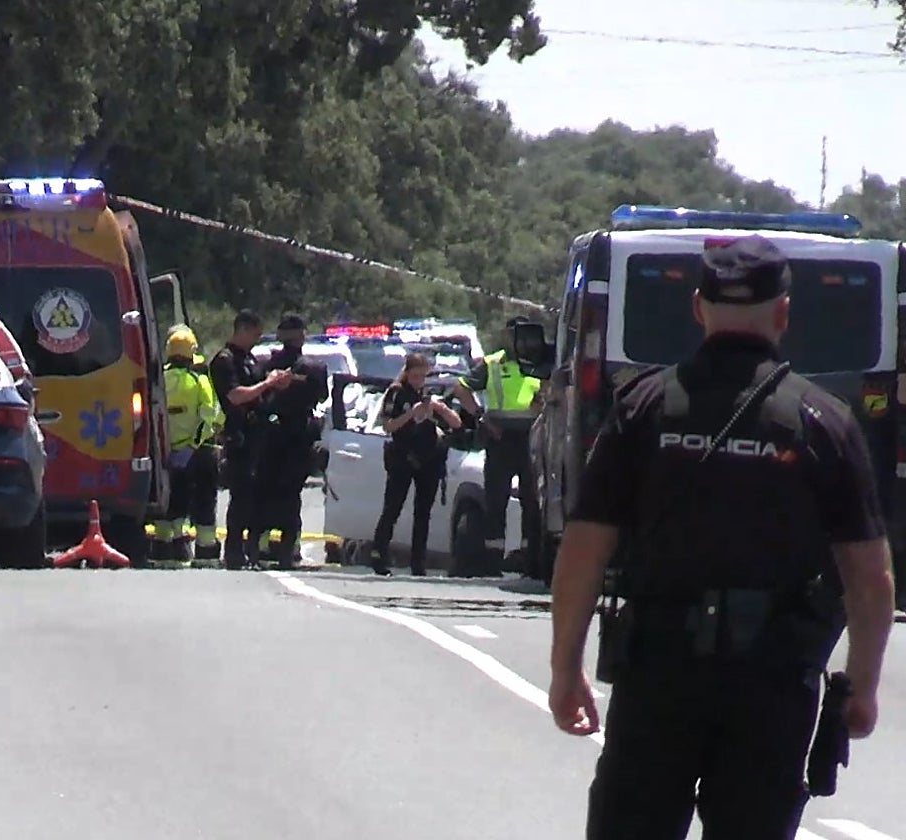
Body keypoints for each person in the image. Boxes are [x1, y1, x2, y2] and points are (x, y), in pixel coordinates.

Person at [547, 233, 896, 839]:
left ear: (698, 308)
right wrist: (859, 685)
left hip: (659, 671)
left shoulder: (643, 407)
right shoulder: (825, 422)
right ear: (784, 313)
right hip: (772, 681)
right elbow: (870, 577)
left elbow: (583, 549)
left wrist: (565, 666)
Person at [453, 319, 543, 574]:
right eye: (517, 336)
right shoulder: (492, 363)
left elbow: (553, 390)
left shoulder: (540, 364)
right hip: (499, 437)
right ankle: (492, 560)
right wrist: (481, 417)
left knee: (532, 500)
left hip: (531, 437)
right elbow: (461, 389)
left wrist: (543, 401)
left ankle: (530, 559)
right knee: (496, 501)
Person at [208, 309, 294, 570]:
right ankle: (233, 551)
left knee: (253, 496)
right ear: (242, 329)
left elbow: (258, 395)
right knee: (240, 495)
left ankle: (248, 549)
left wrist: (276, 385)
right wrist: (266, 384)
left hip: (257, 434)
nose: (257, 339)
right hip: (237, 435)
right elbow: (235, 396)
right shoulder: (224, 360)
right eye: (255, 334)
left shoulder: (249, 359)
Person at [371, 352, 463, 576]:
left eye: (423, 376)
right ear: (407, 373)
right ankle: (379, 555)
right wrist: (411, 414)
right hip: (402, 456)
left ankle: (417, 562)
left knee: (423, 513)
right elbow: (388, 426)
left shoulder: (427, 395)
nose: (418, 380)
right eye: (414, 376)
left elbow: (456, 423)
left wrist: (438, 409)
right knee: (393, 507)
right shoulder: (397, 392)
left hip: (428, 457)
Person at [251, 314, 328, 569]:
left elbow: (318, 394)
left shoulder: (302, 367)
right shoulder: (283, 365)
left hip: (283, 433)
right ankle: (283, 549)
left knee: (271, 492)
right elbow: (320, 395)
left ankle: (266, 547)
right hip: (285, 434)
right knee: (286, 494)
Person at [151, 326, 223, 563]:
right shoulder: (199, 380)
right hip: (198, 452)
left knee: (168, 500)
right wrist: (192, 446)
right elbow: (211, 416)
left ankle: (164, 547)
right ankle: (206, 550)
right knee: (203, 500)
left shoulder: (159, 380)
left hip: (164, 453)